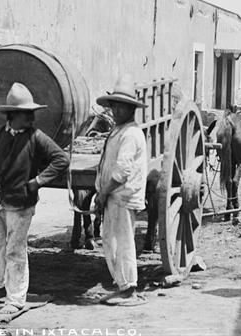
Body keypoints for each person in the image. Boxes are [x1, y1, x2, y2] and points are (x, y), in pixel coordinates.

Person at [0, 82, 69, 315]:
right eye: (27, 113)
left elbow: (61, 159)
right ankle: (1, 286)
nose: (31, 117)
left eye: (32, 113)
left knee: (15, 249)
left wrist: (38, 181)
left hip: (21, 203)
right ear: (12, 114)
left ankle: (16, 298)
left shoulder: (36, 137)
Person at [94, 74, 148, 307]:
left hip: (122, 196)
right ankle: (122, 286)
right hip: (114, 196)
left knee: (123, 242)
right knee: (111, 241)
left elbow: (121, 172)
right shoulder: (118, 131)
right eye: (114, 106)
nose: (116, 110)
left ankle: (129, 290)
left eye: (121, 107)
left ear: (131, 109)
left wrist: (103, 193)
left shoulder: (131, 134)